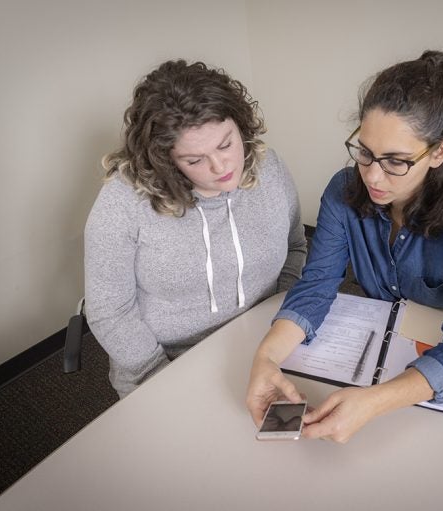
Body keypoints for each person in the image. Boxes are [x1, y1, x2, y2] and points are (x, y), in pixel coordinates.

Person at [245, 50, 443, 443]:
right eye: (365, 152)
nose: (372, 175)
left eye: (396, 161)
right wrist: (265, 359)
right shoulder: (343, 189)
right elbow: (316, 284)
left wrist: (373, 402)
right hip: (377, 346)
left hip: (430, 363)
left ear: (439, 152)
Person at [85, 60, 307, 398]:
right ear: (165, 160)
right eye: (194, 160)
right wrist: (160, 376)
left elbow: (295, 247)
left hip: (265, 342)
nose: (221, 167)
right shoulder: (124, 202)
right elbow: (109, 311)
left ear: (241, 126)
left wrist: (281, 320)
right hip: (167, 362)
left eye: (225, 144)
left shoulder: (269, 169)